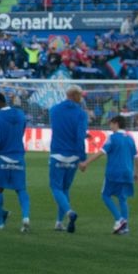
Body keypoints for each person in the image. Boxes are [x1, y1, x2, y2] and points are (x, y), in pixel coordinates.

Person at [82, 115, 136, 234]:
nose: (110, 126)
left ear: (116, 123)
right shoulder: (130, 138)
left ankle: (119, 219)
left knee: (105, 195)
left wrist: (86, 162)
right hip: (128, 172)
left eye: (111, 123)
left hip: (114, 172)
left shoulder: (112, 138)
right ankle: (125, 227)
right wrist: (137, 173)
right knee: (122, 198)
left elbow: (101, 152)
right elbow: (137, 157)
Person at [0, 92, 30, 233]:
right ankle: (26, 218)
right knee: (21, 189)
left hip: (3, 157)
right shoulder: (20, 114)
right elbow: (22, 131)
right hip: (18, 156)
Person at [47, 86, 89, 232]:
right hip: (73, 156)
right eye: (80, 95)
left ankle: (69, 213)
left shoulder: (54, 110)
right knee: (65, 188)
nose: (82, 98)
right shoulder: (81, 114)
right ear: (75, 95)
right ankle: (59, 222)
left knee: (56, 187)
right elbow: (79, 137)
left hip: (58, 153)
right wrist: (82, 158)